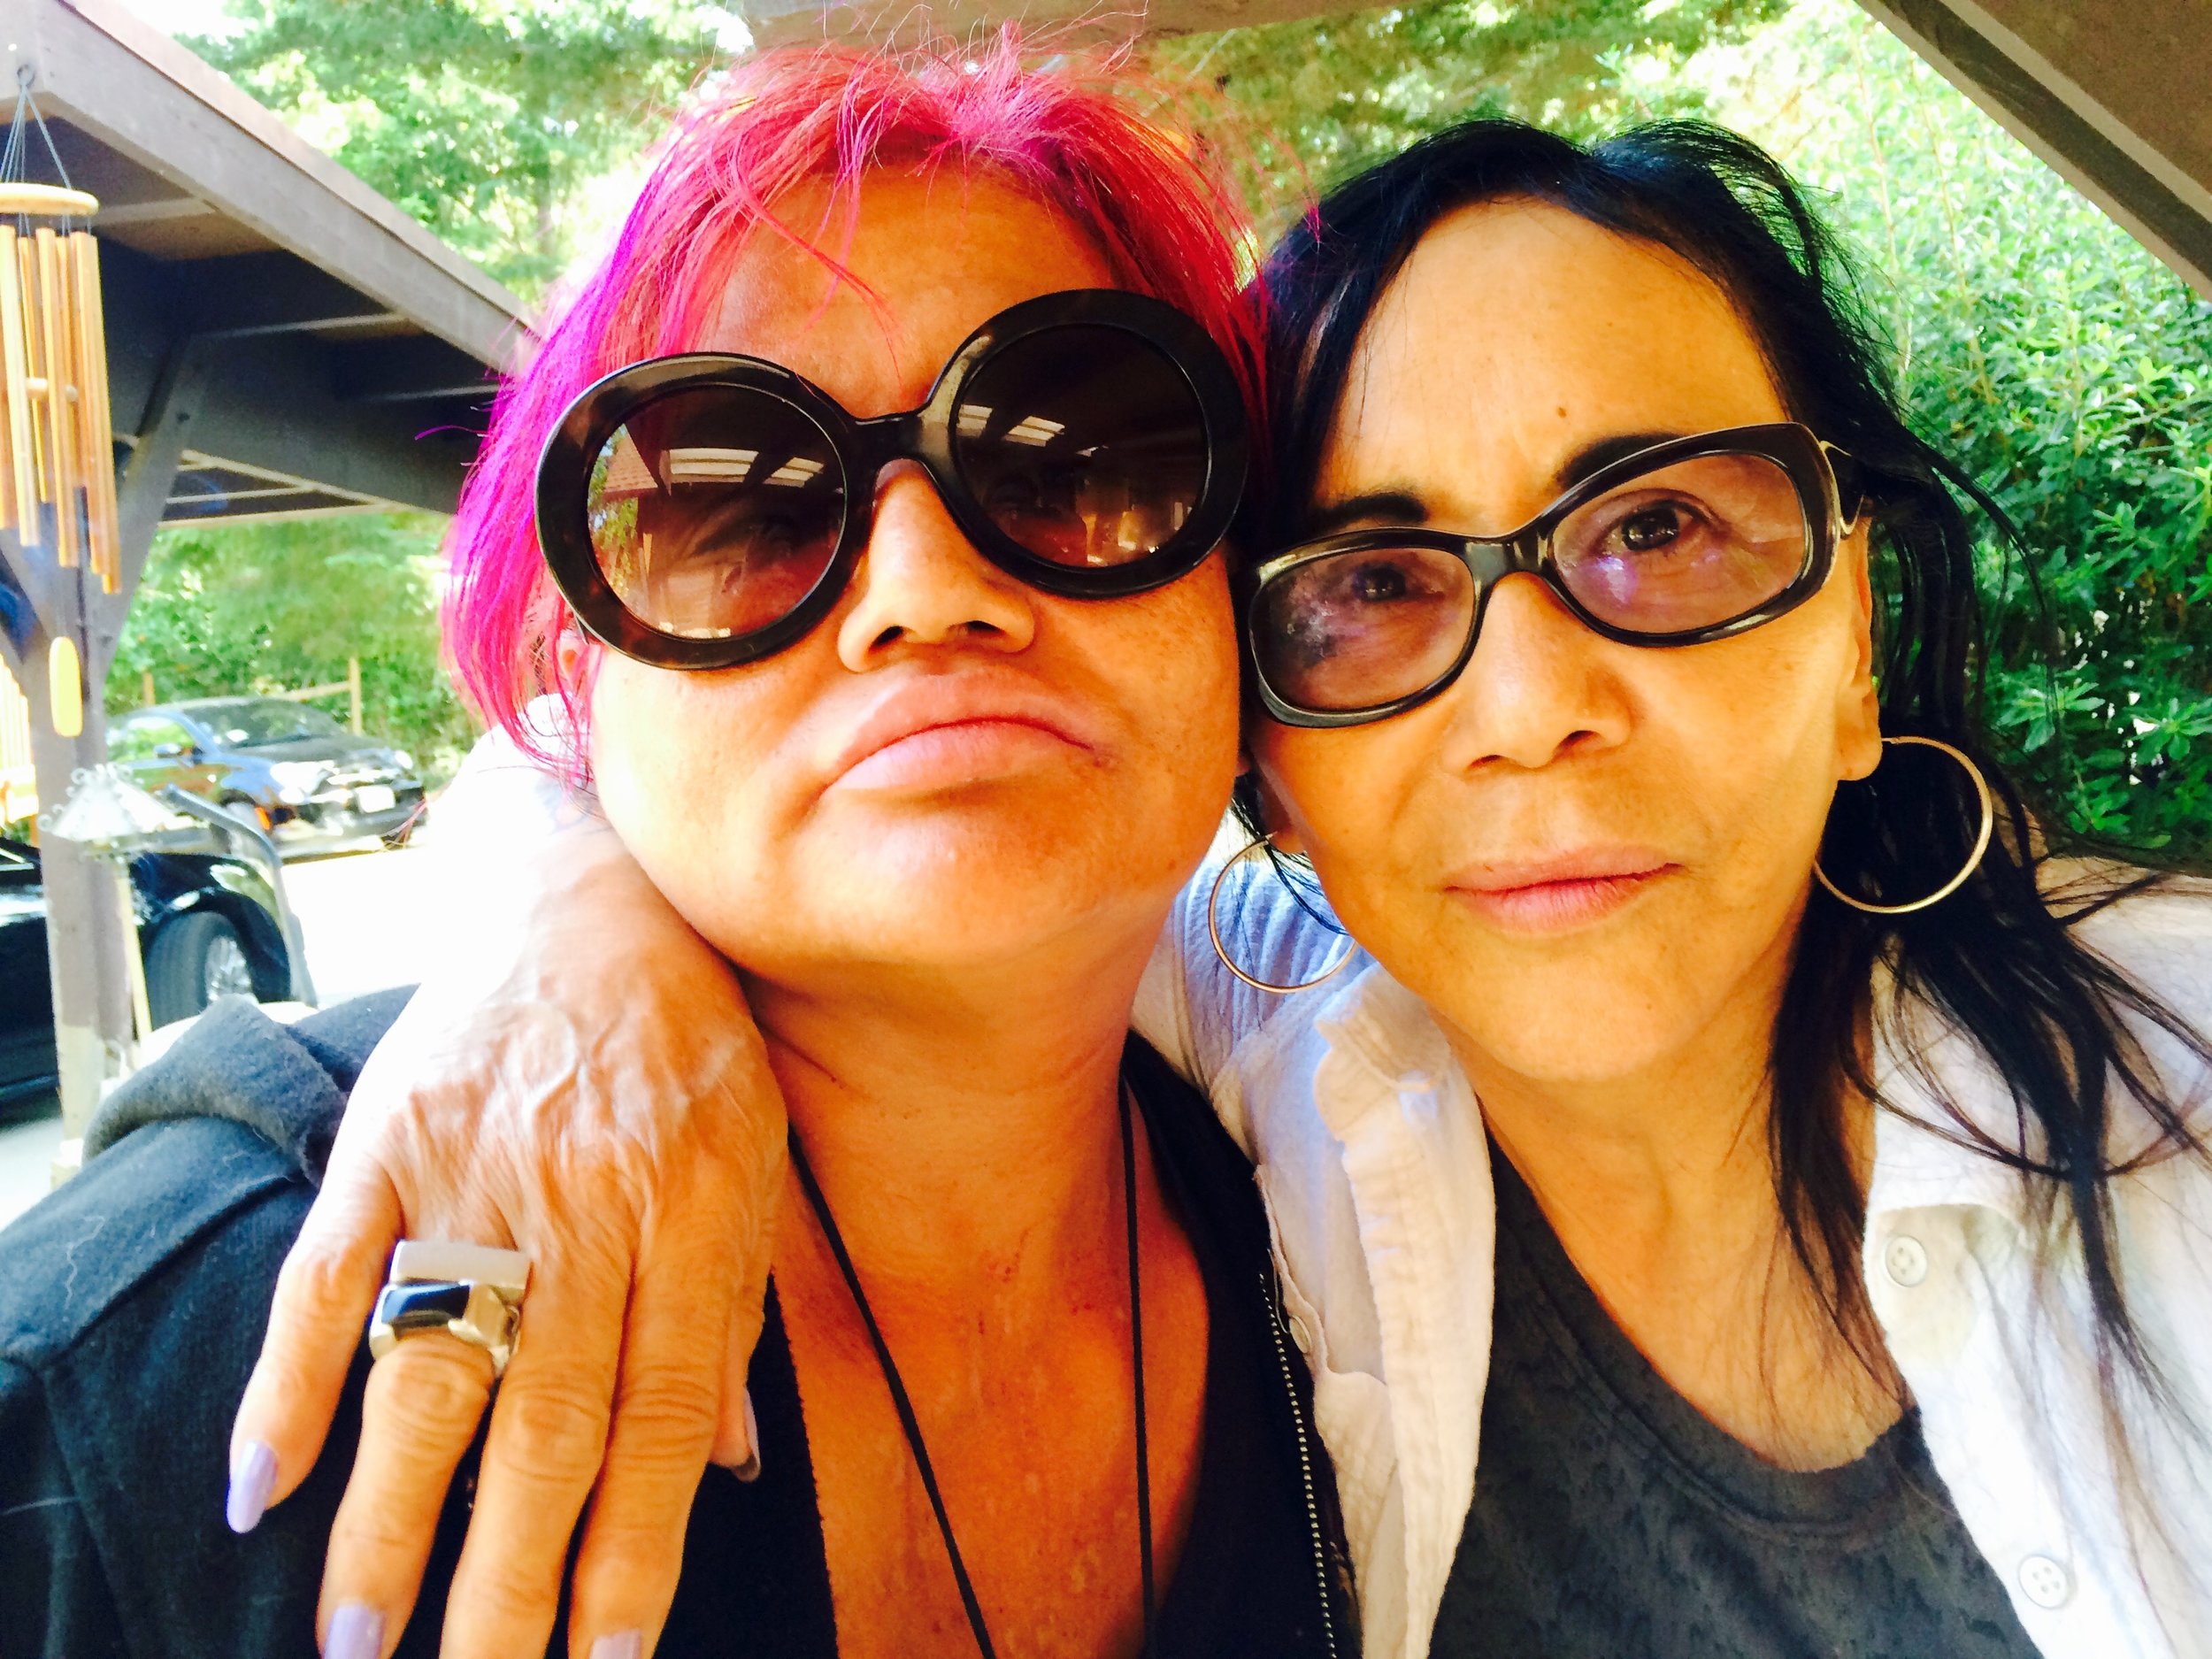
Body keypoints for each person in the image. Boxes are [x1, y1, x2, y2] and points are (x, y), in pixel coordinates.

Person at [209, 108, 2212, 1659]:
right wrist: (581, 937)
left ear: (1849, 638)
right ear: (1262, 726)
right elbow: (829, 803)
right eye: (1367, 582)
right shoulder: (1240, 1030)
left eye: (1659, 527)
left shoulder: (2179, 1101)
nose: (1525, 710)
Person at [0, 43, 1360, 1659]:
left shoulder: (1354, 1207)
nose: (925, 585)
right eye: (744, 513)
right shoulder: (153, 1377)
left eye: (1076, 463)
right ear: (577, 686)